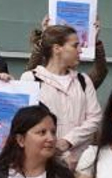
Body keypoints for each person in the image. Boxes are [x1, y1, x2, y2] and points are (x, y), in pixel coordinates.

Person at [21, 24, 101, 169]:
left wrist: (68, 141)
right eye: (75, 46)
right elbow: (25, 124)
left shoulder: (83, 80)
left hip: (81, 164)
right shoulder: (31, 79)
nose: (80, 50)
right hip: (43, 164)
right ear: (57, 48)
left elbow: (95, 118)